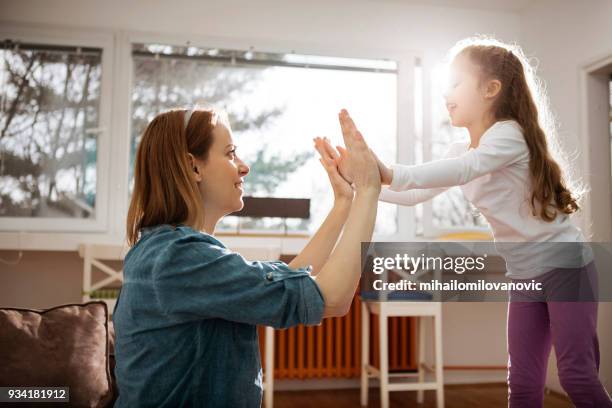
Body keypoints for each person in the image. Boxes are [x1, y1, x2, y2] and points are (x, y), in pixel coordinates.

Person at [316, 37, 612, 407]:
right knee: (521, 382)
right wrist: (358, 183)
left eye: (456, 83)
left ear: (491, 89)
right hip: (524, 274)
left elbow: (464, 169)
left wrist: (388, 171)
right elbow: (412, 195)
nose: (446, 92)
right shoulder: (463, 150)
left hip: (566, 266)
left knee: (576, 376)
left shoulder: (507, 136)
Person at [112, 107, 381, 407]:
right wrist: (370, 188)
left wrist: (344, 201)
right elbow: (332, 298)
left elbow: (287, 277)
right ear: (193, 168)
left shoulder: (167, 251)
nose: (244, 167)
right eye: (230, 153)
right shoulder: (178, 258)